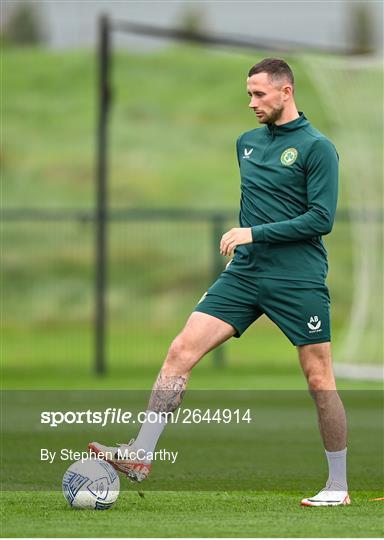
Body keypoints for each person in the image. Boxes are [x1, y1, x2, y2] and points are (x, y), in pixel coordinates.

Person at [89, 58, 349, 507]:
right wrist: (251, 242)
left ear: (286, 92)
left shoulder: (317, 147)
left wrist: (253, 232)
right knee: (180, 351)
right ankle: (140, 453)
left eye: (259, 94)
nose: (252, 102)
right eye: (249, 94)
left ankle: (338, 486)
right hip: (245, 273)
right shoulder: (246, 143)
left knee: (318, 377)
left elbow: (321, 219)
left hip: (297, 278)